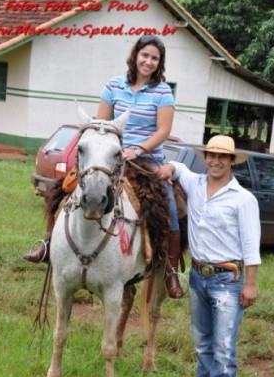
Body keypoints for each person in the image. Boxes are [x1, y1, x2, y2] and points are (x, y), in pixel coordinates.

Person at [24, 36, 184, 299]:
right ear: (135, 55)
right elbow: (101, 124)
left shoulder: (163, 92)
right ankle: (48, 243)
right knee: (62, 188)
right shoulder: (114, 85)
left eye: (154, 58)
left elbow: (164, 131)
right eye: (145, 55)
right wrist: (111, 151)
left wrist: (138, 150)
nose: (149, 61)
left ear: (159, 63)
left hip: (146, 160)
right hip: (111, 155)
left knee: (170, 204)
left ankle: (169, 271)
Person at [158, 135, 261, 377]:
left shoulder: (243, 199)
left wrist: (250, 285)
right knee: (203, 343)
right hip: (198, 278)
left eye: (222, 157)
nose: (216, 160)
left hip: (228, 280)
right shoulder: (196, 184)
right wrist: (169, 169)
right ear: (205, 157)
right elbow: (178, 168)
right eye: (211, 155)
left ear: (231, 162)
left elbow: (251, 246)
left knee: (224, 345)